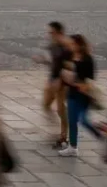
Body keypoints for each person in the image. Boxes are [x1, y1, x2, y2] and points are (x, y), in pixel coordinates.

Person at [58, 34, 103, 157]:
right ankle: (73, 147)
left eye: (72, 44)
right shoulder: (71, 56)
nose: (70, 46)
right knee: (72, 121)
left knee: (84, 120)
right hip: (72, 93)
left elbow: (91, 79)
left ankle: (102, 137)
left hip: (84, 95)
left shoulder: (88, 59)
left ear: (79, 44)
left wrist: (78, 83)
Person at [33, 21, 70, 150]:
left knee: (61, 108)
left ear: (60, 33)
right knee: (46, 104)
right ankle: (56, 129)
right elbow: (53, 62)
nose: (50, 35)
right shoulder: (53, 45)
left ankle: (64, 135)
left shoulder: (67, 47)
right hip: (52, 80)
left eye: (52, 32)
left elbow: (70, 66)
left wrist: (60, 79)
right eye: (49, 32)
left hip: (62, 82)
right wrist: (43, 60)